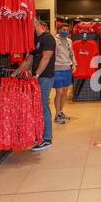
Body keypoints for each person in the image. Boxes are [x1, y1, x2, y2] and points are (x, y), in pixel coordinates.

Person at [13, 19, 56, 151]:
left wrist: (36, 75)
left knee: (43, 105)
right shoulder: (34, 40)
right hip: (37, 78)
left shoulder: (48, 38)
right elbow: (28, 62)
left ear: (38, 25)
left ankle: (47, 138)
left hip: (45, 77)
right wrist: (14, 73)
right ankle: (41, 136)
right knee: (38, 106)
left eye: (30, 25)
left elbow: (46, 58)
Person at [53, 23, 77, 124]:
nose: (65, 31)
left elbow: (71, 54)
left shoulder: (69, 41)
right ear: (59, 30)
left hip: (67, 68)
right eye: (63, 29)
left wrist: (74, 64)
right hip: (57, 69)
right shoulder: (54, 40)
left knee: (65, 92)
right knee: (59, 92)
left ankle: (61, 111)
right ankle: (57, 114)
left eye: (67, 30)